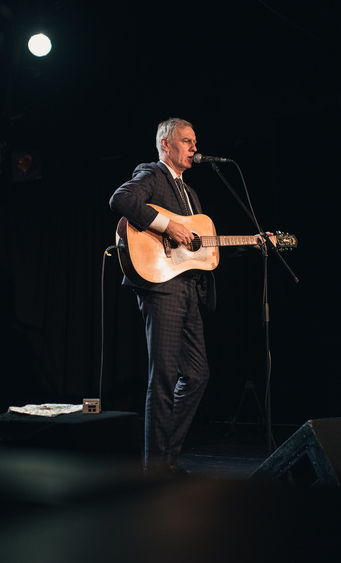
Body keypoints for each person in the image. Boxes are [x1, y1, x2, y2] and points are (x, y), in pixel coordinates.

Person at [109, 118, 216, 474]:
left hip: (187, 289)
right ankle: (156, 467)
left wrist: (253, 243)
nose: (194, 148)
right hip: (161, 286)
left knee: (198, 375)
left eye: (195, 141)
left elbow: (198, 248)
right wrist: (166, 225)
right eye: (186, 141)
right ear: (165, 145)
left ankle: (166, 457)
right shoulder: (153, 174)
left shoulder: (191, 193)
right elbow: (121, 199)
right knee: (165, 376)